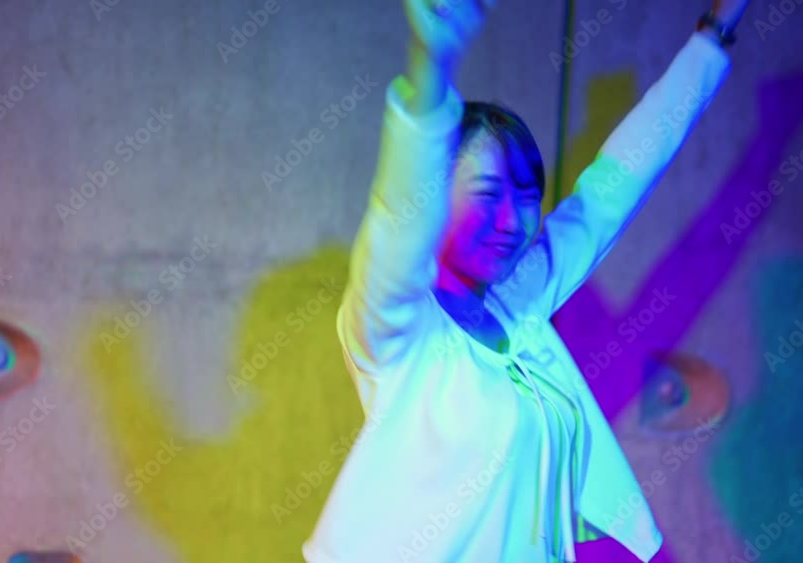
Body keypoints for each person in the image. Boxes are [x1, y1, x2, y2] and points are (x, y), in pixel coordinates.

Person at [304, 0, 748, 561]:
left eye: (527, 197)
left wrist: (713, 34)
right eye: (488, 193)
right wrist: (431, 68)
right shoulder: (400, 328)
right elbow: (397, 220)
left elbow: (611, 189)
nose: (513, 221)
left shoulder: (519, 304)